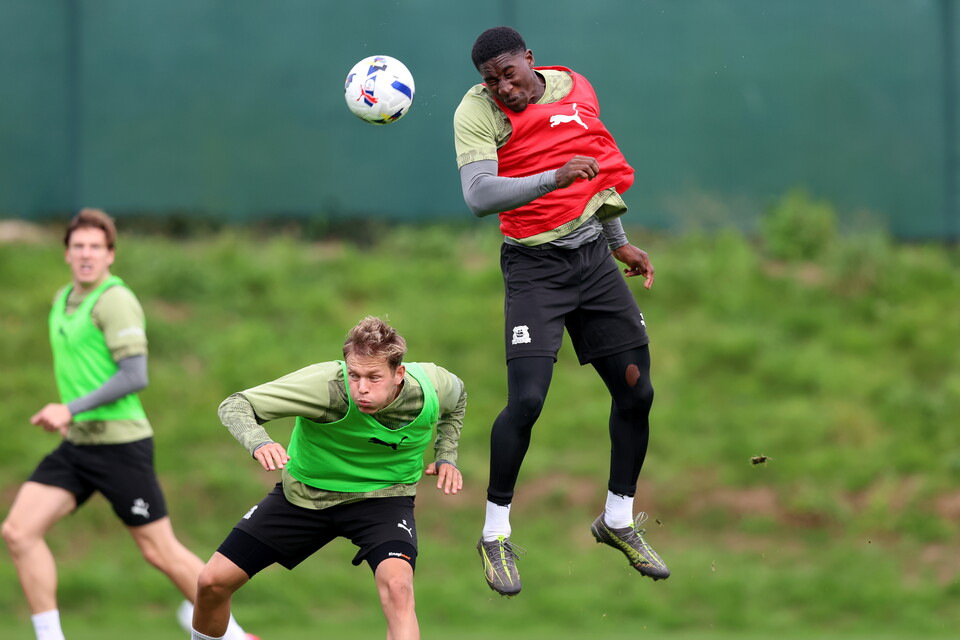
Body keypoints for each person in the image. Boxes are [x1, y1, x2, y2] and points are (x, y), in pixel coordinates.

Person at [453, 26, 670, 597]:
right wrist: (554, 176)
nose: (503, 88)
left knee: (637, 391)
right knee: (527, 401)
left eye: (510, 74)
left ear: (530, 60)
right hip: (534, 268)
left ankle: (617, 519)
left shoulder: (575, 88)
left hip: (592, 258)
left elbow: (594, 173)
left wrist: (619, 240)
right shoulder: (476, 113)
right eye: (491, 80)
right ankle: (495, 535)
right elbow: (479, 196)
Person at [0, 209, 253, 640]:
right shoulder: (63, 299)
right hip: (79, 444)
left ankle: (234, 636)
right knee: (19, 532)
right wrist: (73, 417)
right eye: (78, 246)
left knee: (160, 550)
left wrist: (70, 408)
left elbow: (135, 375)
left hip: (119, 445)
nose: (86, 254)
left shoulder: (115, 300)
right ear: (66, 253)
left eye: (95, 247)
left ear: (110, 254)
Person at [189, 316, 466, 640]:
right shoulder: (325, 386)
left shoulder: (431, 386)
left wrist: (446, 454)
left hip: (384, 498)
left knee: (398, 588)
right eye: (354, 375)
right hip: (306, 496)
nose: (361, 388)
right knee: (212, 582)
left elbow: (458, 399)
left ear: (398, 373)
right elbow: (236, 405)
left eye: (374, 377)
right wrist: (259, 442)